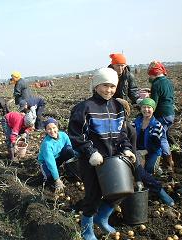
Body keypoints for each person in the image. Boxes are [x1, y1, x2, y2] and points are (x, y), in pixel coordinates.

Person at [68, 68, 136, 240]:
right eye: (105, 85)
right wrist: (91, 152)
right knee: (93, 195)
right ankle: (86, 230)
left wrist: (126, 148)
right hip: (91, 161)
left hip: (113, 159)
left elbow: (122, 133)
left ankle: (102, 218)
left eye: (112, 86)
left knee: (121, 191)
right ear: (96, 85)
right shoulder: (84, 108)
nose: (109, 90)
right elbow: (77, 135)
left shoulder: (118, 107)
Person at [117, 98, 174, 206]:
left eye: (149, 108)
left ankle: (152, 182)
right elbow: (129, 138)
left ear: (153, 110)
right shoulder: (135, 122)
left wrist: (145, 151)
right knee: (138, 169)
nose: (146, 110)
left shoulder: (157, 125)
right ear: (141, 108)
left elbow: (156, 143)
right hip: (137, 150)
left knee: (148, 170)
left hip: (152, 151)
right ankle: (142, 183)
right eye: (144, 107)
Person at [148, 61, 175, 176]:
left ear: (153, 74)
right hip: (170, 113)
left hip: (162, 114)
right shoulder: (168, 82)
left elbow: (154, 103)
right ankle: (169, 158)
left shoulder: (156, 84)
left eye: (149, 75)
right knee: (165, 134)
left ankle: (169, 163)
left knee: (162, 137)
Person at [37, 118, 76, 192]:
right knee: (50, 178)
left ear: (57, 127)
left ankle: (69, 170)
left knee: (69, 150)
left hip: (59, 157)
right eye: (49, 129)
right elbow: (51, 163)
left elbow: (71, 149)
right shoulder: (47, 144)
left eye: (54, 127)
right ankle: (50, 180)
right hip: (46, 162)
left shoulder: (63, 135)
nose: (52, 131)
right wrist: (57, 179)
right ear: (46, 130)